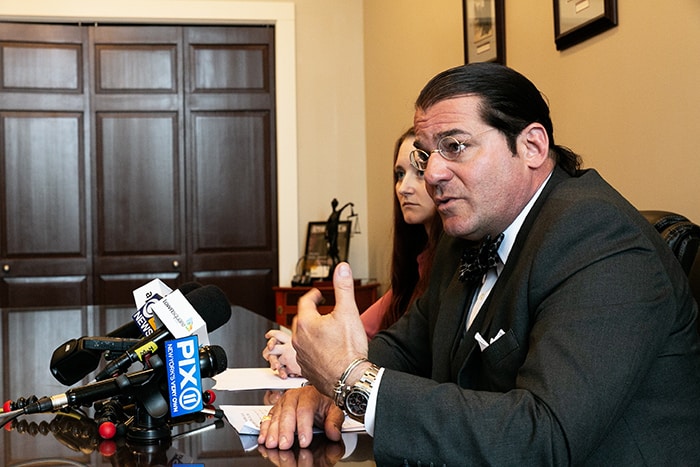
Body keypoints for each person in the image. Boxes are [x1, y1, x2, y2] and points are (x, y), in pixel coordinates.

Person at [257, 63, 700, 465]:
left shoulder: (599, 237)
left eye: (455, 146)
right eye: (425, 154)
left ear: (530, 145)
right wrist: (323, 384)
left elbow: (542, 437)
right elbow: (409, 348)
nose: (432, 175)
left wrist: (353, 381)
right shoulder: (468, 231)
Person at [262, 128, 443, 378]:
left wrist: (319, 361)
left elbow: (401, 358)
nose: (403, 188)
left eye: (419, 173)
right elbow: (362, 334)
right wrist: (300, 347)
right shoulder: (414, 267)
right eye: (399, 174)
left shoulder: (447, 269)